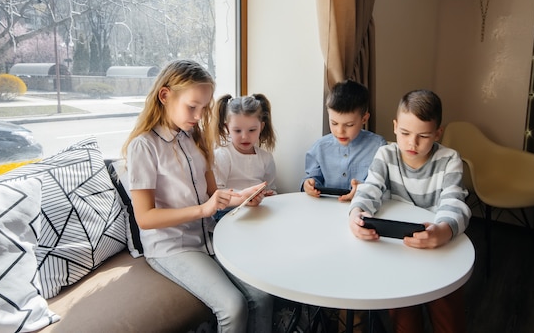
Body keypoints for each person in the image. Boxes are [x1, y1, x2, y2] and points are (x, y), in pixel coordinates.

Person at [122, 59, 273, 333]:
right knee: (233, 306)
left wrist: (244, 197)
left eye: (204, 108)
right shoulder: (143, 146)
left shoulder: (194, 138)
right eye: (192, 107)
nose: (198, 116)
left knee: (262, 296)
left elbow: (215, 195)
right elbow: (144, 218)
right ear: (165, 96)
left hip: (209, 236)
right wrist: (204, 210)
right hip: (171, 247)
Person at [348, 89, 471, 333]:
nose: (411, 143)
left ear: (438, 133)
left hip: (438, 248)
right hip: (399, 249)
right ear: (395, 127)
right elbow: (370, 187)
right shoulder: (386, 154)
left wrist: (443, 231)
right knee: (403, 315)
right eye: (404, 133)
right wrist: (356, 213)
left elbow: (454, 201)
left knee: (447, 312)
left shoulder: (449, 159)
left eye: (423, 136)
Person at [301, 79, 386, 201]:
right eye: (334, 123)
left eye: (349, 125)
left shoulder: (378, 147)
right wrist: (308, 184)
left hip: (364, 209)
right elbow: (312, 178)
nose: (340, 131)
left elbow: (383, 185)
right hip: (326, 209)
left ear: (364, 119)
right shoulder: (319, 147)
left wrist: (364, 189)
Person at [212, 93, 277, 219]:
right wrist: (244, 197)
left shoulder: (266, 158)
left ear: (261, 127)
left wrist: (268, 195)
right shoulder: (223, 155)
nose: (245, 137)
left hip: (258, 211)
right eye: (237, 131)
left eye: (252, 130)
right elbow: (217, 194)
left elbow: (271, 189)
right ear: (227, 128)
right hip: (228, 212)